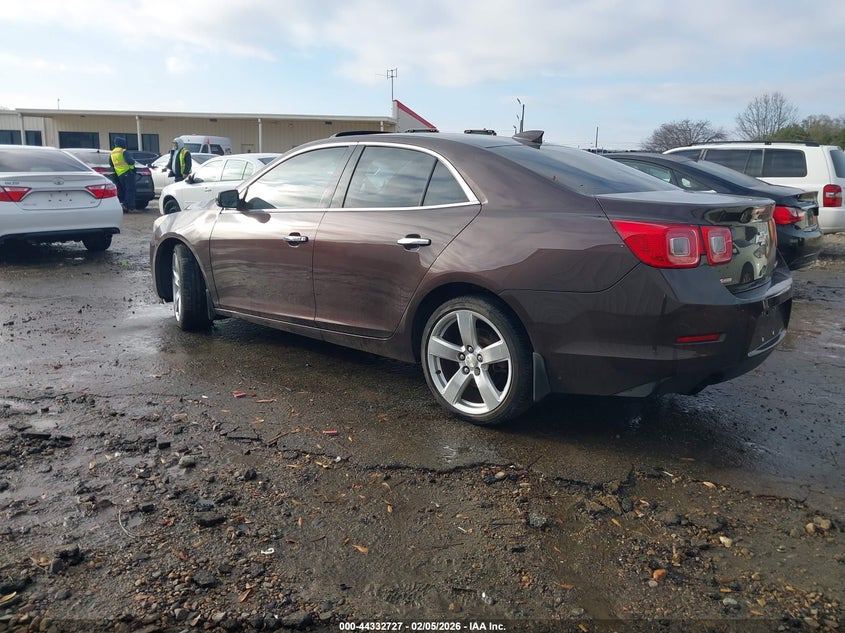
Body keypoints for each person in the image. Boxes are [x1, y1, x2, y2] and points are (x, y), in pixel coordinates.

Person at [109, 137, 136, 213]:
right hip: (128, 172)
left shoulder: (112, 152)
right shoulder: (123, 151)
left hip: (119, 174)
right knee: (130, 190)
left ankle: (123, 204)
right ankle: (127, 205)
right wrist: (133, 160)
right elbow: (130, 161)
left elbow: (111, 164)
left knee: (123, 190)